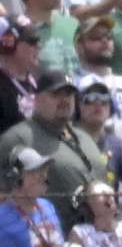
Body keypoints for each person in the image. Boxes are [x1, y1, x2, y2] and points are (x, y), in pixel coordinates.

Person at [0, 70, 108, 224]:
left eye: (69, 94)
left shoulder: (84, 137)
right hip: (52, 233)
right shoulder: (18, 138)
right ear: (37, 99)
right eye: (56, 94)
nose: (65, 100)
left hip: (102, 232)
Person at [0, 147, 63, 247]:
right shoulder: (2, 218)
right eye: (35, 172)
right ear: (16, 178)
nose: (44, 177)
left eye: (44, 171)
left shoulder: (47, 206)